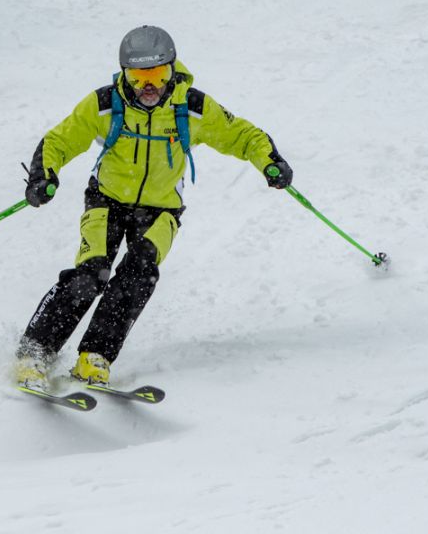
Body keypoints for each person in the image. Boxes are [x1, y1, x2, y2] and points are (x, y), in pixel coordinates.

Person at [16, 25, 292, 391]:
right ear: (124, 75)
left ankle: (94, 357)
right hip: (108, 201)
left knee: (139, 273)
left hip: (161, 210)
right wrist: (43, 176)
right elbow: (60, 140)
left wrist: (269, 161)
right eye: (138, 77)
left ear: (172, 71)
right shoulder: (103, 104)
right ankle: (35, 353)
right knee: (90, 275)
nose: (149, 86)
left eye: (158, 76)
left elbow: (243, 135)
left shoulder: (192, 108)